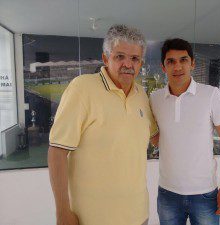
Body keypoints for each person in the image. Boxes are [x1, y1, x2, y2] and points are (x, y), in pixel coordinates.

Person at [48, 24, 159, 225]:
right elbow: (57, 151)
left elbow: (156, 137)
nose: (128, 64)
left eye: (134, 59)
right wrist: (62, 211)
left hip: (138, 214)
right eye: (120, 56)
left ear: (141, 63)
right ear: (106, 58)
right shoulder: (82, 88)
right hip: (93, 218)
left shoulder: (141, 94)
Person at [150, 38, 220, 225]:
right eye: (170, 61)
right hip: (168, 193)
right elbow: (156, 137)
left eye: (183, 60)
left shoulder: (211, 94)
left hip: (204, 193)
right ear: (163, 67)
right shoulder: (154, 99)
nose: (177, 66)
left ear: (192, 63)